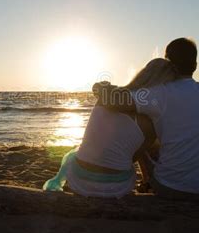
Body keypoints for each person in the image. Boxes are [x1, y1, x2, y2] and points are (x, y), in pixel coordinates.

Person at [95, 38, 199, 199]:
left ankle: (147, 182)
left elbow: (113, 101)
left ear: (167, 64)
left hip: (172, 188)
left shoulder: (160, 94)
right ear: (195, 66)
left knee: (141, 133)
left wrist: (100, 88)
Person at [43, 58, 178, 198]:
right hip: (114, 187)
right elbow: (131, 157)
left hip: (79, 179)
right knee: (144, 148)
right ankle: (146, 181)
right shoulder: (150, 121)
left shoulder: (108, 97)